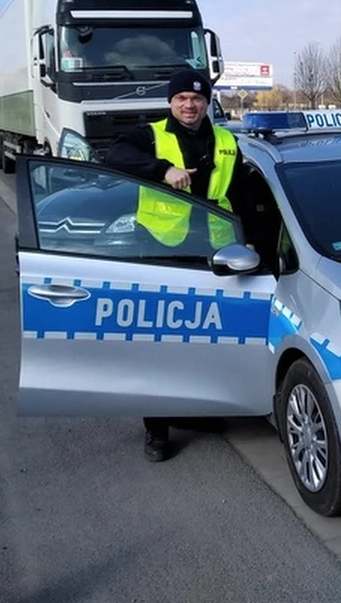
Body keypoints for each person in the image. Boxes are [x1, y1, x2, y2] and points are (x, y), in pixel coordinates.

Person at [104, 67, 262, 462]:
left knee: (203, 337)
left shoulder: (226, 140)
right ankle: (157, 428)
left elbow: (241, 194)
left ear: (207, 101)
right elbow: (115, 157)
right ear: (171, 103)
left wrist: (254, 241)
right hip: (161, 249)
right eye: (181, 99)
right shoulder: (150, 135)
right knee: (158, 341)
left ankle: (193, 410)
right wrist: (162, 170)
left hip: (214, 253)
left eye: (197, 98)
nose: (189, 105)